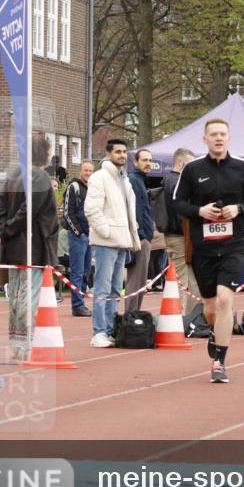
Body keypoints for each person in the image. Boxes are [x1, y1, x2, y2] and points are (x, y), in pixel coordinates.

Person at [173, 118, 244, 383]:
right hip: (203, 248)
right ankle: (215, 332)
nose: (218, 138)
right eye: (213, 134)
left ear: (229, 138)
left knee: (226, 301)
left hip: (233, 246)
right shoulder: (192, 169)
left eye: (223, 134)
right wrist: (198, 212)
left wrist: (239, 209)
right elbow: (177, 202)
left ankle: (219, 362)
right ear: (205, 139)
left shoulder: (243, 168)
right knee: (210, 308)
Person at [0, 132, 59, 359]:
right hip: (32, 247)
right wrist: (7, 228)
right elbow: (29, 209)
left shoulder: (15, 175)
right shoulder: (39, 177)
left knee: (17, 297)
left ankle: (18, 343)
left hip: (15, 246)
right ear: (44, 153)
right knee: (27, 297)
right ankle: (24, 345)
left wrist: (0, 230)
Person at [84, 138, 140, 348]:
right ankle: (99, 331)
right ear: (108, 154)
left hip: (122, 241)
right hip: (107, 241)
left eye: (125, 151)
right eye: (118, 151)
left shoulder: (124, 179)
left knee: (116, 290)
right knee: (102, 288)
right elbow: (92, 209)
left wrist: (132, 235)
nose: (123, 155)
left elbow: (129, 211)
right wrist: (106, 232)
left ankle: (109, 329)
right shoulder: (99, 178)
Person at [163, 147, 199, 315]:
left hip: (179, 235)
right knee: (182, 280)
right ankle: (180, 317)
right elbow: (181, 212)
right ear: (180, 162)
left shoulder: (171, 180)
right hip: (179, 236)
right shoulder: (175, 182)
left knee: (187, 279)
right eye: (191, 165)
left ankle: (187, 316)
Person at [63, 159, 94, 317]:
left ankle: (81, 302)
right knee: (77, 271)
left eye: (90, 170)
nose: (88, 173)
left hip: (90, 236)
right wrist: (78, 232)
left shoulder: (93, 189)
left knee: (86, 272)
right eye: (85, 170)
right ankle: (77, 305)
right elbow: (68, 213)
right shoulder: (73, 187)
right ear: (80, 171)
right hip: (78, 237)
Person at [127, 148, 154, 312]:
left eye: (150, 160)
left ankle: (134, 313)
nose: (148, 163)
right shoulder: (134, 181)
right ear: (135, 162)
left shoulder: (141, 181)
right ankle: (131, 315)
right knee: (137, 280)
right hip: (141, 238)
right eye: (144, 160)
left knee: (140, 280)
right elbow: (135, 210)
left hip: (144, 236)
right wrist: (141, 235)